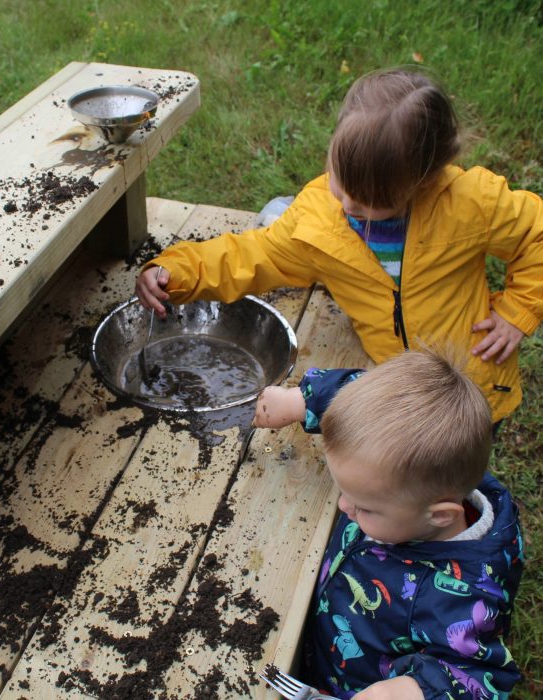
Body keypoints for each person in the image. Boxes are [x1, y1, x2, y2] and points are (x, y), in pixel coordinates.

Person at [135, 68, 543, 425]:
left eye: (368, 203)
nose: (347, 204)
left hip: (472, 385)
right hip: (396, 384)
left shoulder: (469, 202)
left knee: (460, 477)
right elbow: (254, 255)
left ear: (423, 180)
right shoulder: (319, 217)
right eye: (339, 179)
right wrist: (179, 271)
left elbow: (536, 233)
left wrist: (518, 309)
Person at [253, 348, 524, 700]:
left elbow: (479, 679)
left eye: (364, 507)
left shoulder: (458, 599)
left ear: (440, 515)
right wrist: (298, 400)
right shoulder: (425, 476)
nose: (343, 506)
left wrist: (407, 692)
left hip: (351, 681)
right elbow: (356, 390)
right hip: (330, 625)